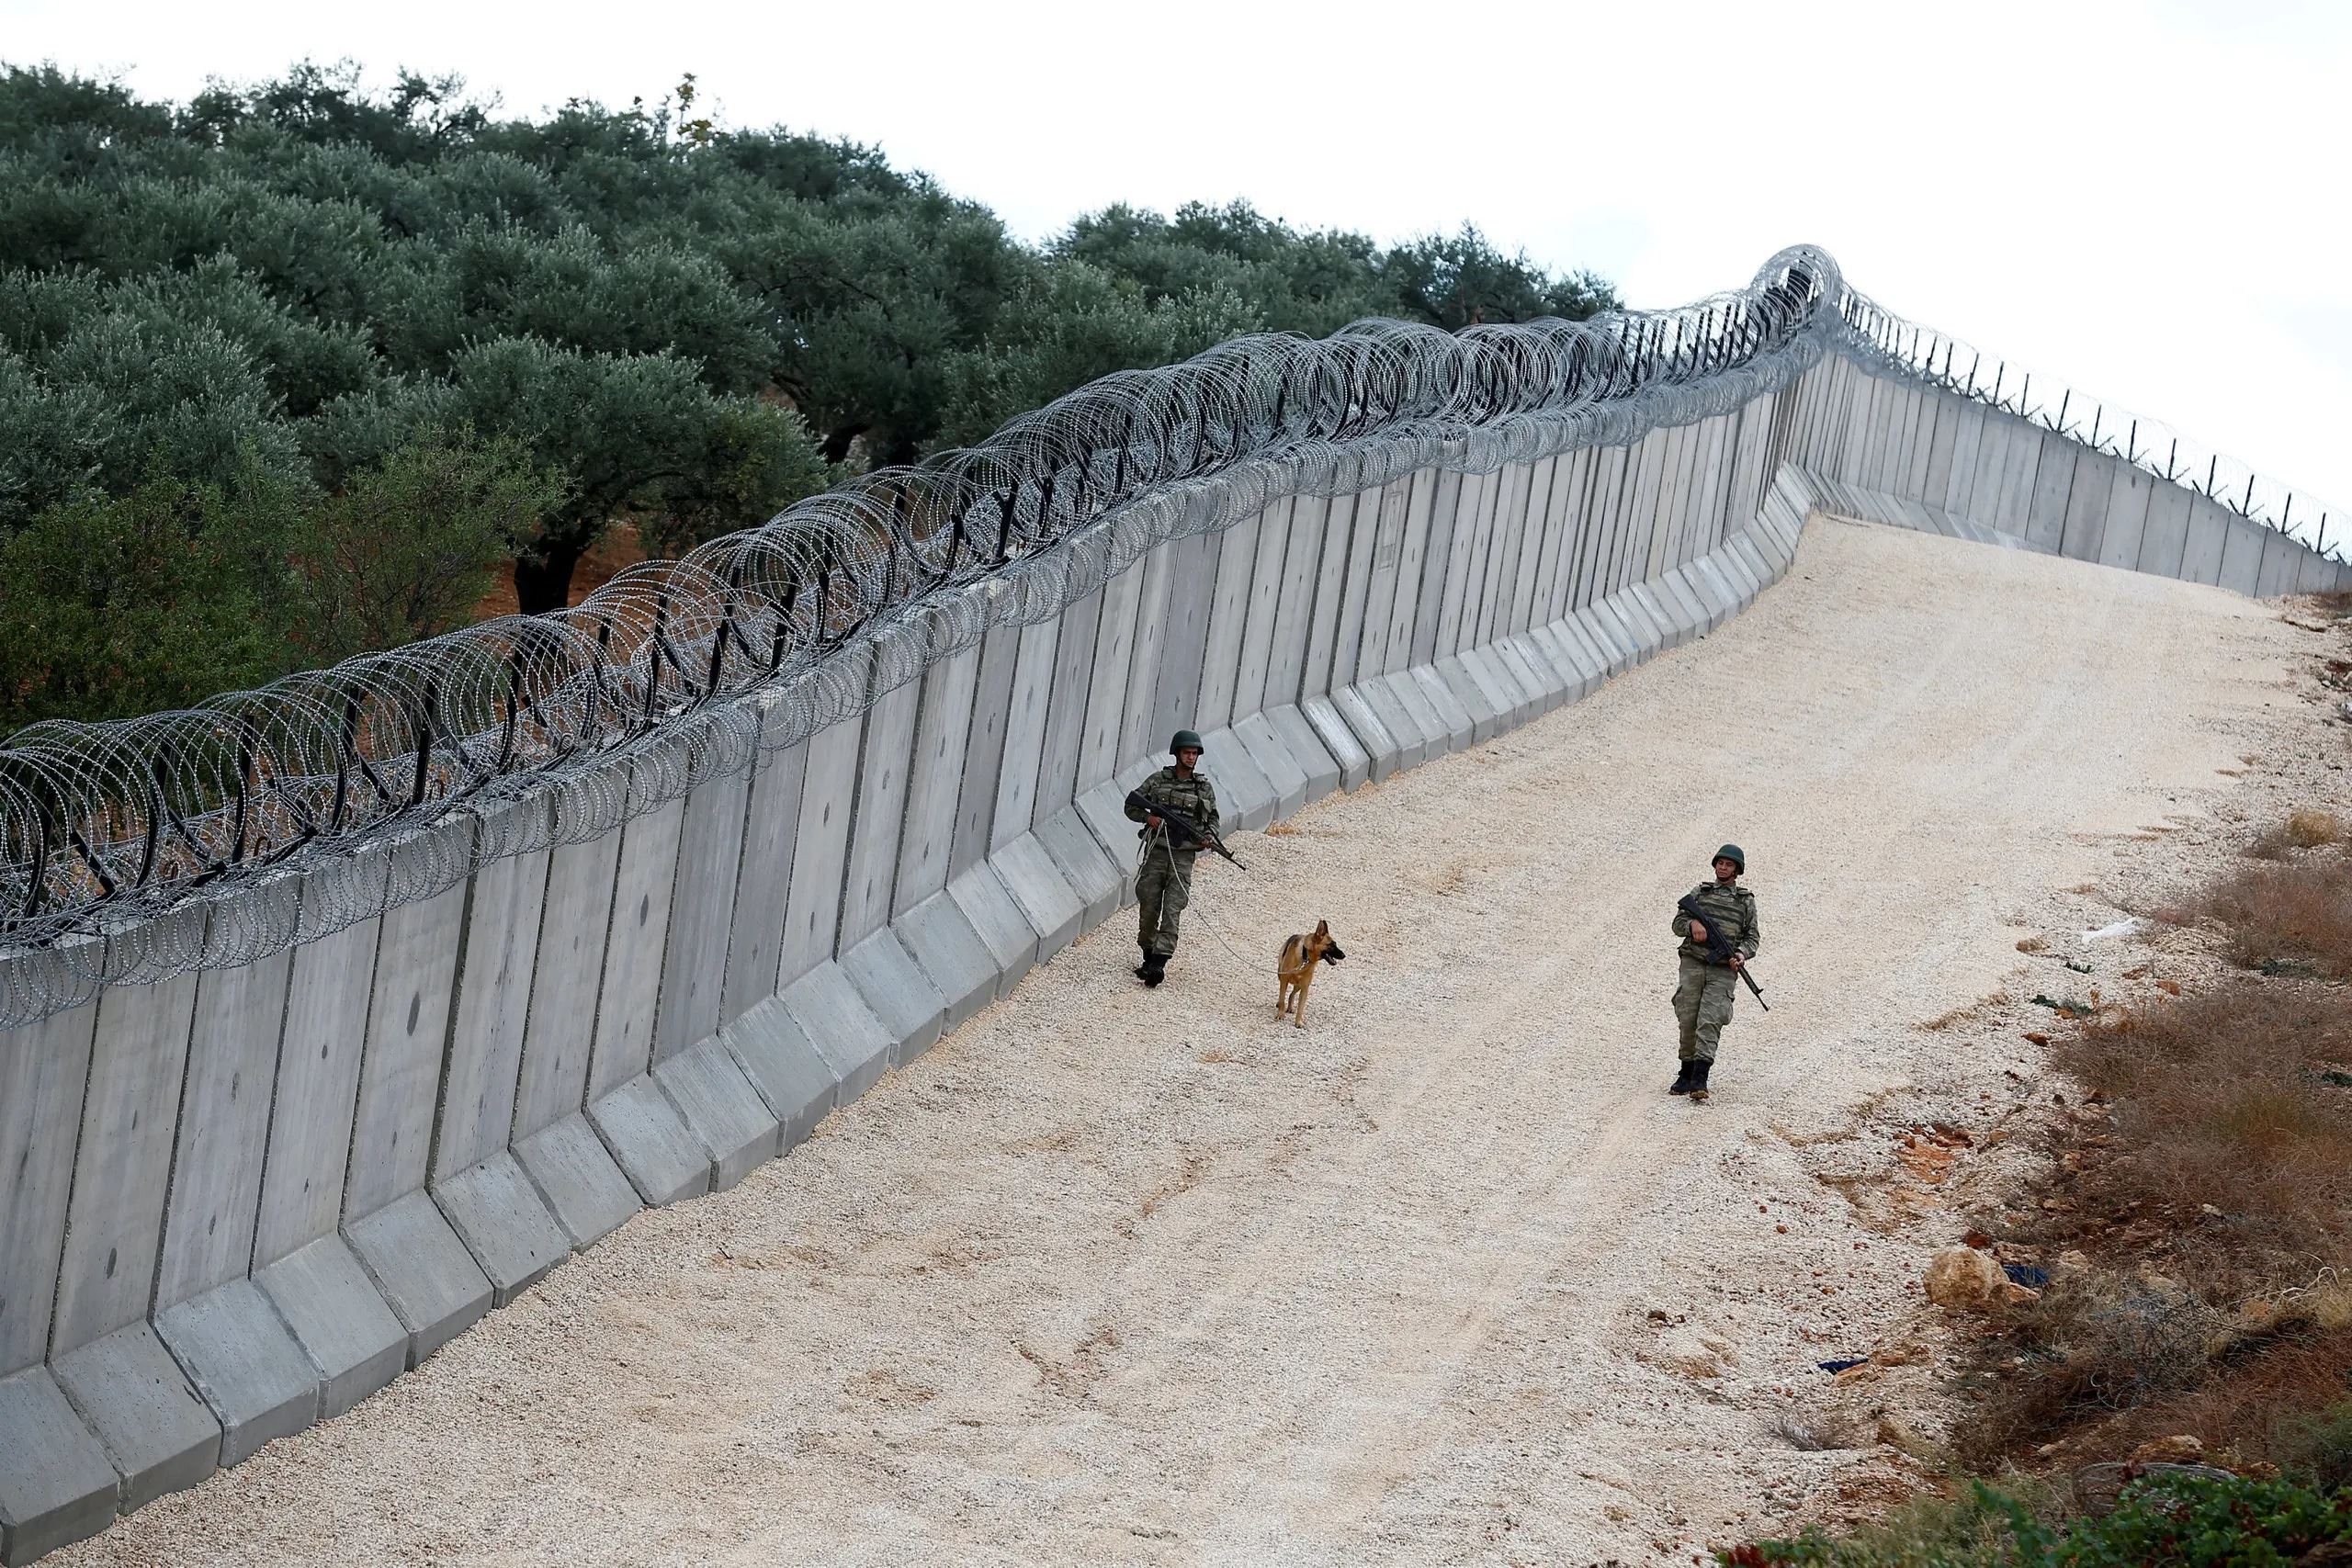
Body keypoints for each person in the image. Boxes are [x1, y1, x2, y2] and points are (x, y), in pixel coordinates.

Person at [1125, 729, 1221, 987]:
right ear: (1177, 753)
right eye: (1187, 753)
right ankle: (1148, 951)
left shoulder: (1203, 788)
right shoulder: (1157, 781)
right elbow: (1131, 805)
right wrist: (1149, 818)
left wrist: (1209, 836)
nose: (1191, 757)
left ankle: (1159, 962)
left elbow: (1213, 819)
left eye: (1194, 754)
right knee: (1148, 907)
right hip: (1156, 852)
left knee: (1172, 909)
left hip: (1182, 858)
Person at [1668, 844, 1759, 1097]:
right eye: (1720, 863)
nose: (1723, 867)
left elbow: (1752, 938)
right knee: (1688, 1017)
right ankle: (1685, 1073)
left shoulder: (1745, 901)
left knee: (1711, 1018)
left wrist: (1740, 955)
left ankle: (1700, 1077)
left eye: (1729, 865)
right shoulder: (1700, 893)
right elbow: (1677, 923)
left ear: (1737, 870)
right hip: (1694, 962)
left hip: (1723, 969)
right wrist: (1693, 924)